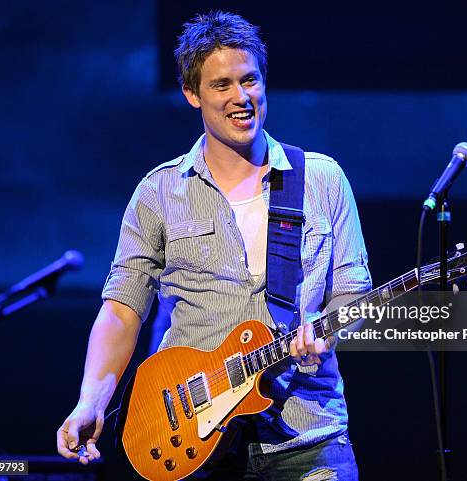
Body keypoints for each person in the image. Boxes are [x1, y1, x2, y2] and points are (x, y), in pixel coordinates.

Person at [57, 11, 371, 480]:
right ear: (191, 94)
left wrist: (324, 334)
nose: (241, 98)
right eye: (221, 85)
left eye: (250, 81)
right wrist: (90, 401)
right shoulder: (159, 192)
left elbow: (352, 294)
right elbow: (122, 310)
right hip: (194, 443)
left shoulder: (322, 180)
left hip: (308, 437)